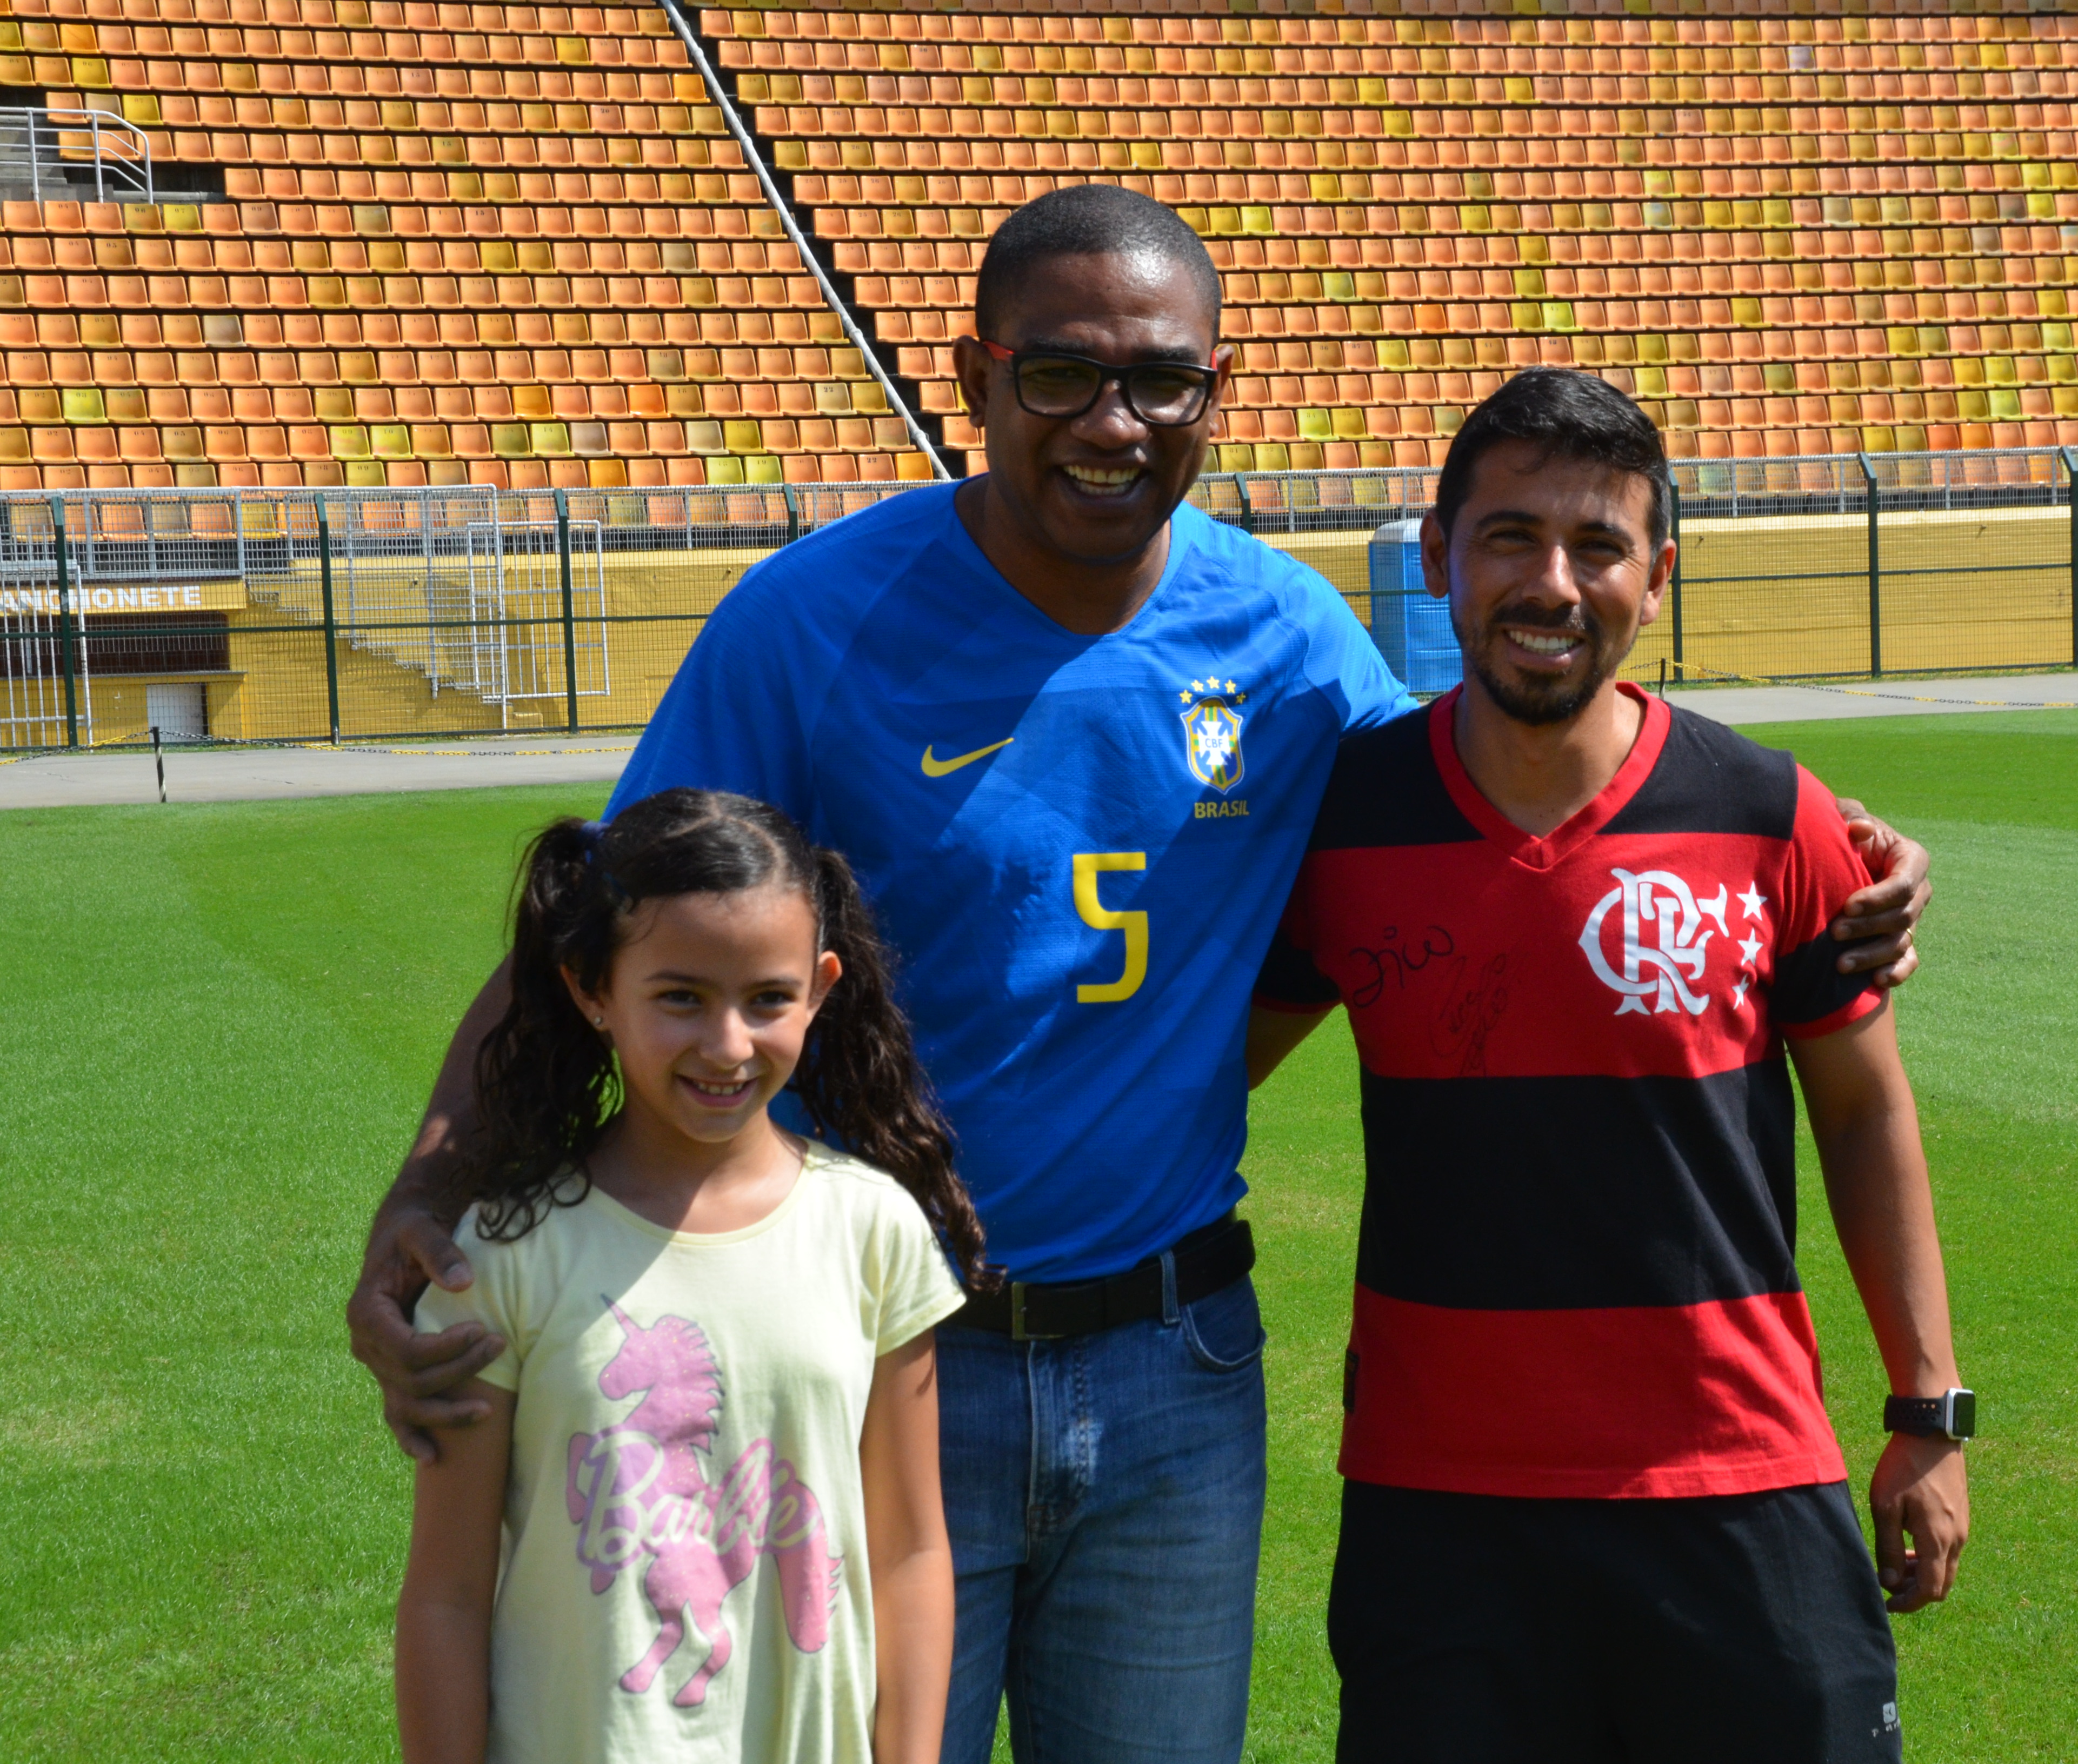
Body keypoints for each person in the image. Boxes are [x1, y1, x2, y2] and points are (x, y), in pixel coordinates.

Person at [352, 185, 1938, 1764]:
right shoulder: (811, 620)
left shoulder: (1290, 636)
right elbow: (603, 925)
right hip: (890, 1357)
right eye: (1061, 374)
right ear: (975, 380)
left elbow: (1492, 795)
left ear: (1215, 395)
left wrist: (1823, 855)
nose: (1113, 420)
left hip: (1179, 1372)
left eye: (1160, 380)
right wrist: (431, 1189)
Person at [1250, 368, 1970, 1763]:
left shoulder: (1774, 815)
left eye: (1599, 546)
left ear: (1659, 580)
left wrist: (1928, 1411)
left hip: (1737, 1482)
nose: (1553, 583)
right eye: (1512, 537)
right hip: (1440, 1505)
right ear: (1440, 560)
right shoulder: (1342, 826)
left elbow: (1869, 1117)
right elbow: (1193, 1071)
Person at [394, 789, 981, 1764]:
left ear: (821, 989)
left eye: (767, 1000)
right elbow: (447, 1596)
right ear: (592, 989)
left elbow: (913, 1552)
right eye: (680, 998)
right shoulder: (503, 1252)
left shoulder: (873, 1230)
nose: (728, 1046)